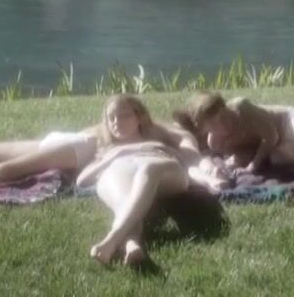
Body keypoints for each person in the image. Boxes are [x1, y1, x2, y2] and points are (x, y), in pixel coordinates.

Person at [75, 95, 229, 266]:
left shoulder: (156, 143)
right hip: (118, 170)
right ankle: (132, 245)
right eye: (111, 118)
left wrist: (207, 179)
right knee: (124, 202)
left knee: (148, 169)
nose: (116, 122)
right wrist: (116, 154)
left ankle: (112, 239)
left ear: (139, 117)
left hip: (161, 170)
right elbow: (82, 180)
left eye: (124, 115)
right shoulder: (107, 151)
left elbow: (188, 165)